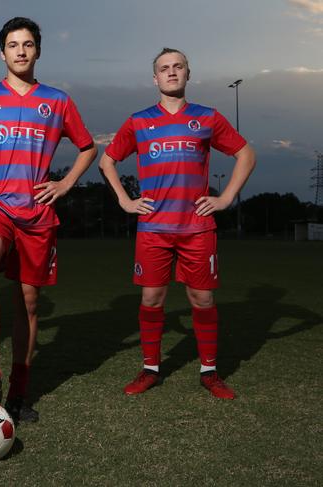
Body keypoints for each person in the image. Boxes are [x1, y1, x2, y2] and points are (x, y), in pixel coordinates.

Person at [0, 17, 97, 422]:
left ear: (37, 51)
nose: (21, 51)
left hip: (37, 212)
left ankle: (19, 391)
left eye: (28, 44)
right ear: (2, 52)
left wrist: (64, 185)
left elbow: (87, 147)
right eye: (13, 44)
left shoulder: (57, 101)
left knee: (27, 301)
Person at [99, 47, 256, 399]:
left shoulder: (207, 118)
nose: (171, 73)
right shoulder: (139, 121)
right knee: (152, 299)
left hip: (197, 228)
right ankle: (150, 369)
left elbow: (246, 154)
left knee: (202, 299)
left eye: (178, 67)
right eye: (164, 68)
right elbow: (107, 161)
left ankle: (210, 372)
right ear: (155, 78)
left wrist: (226, 197)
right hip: (153, 228)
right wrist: (125, 200)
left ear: (188, 73)